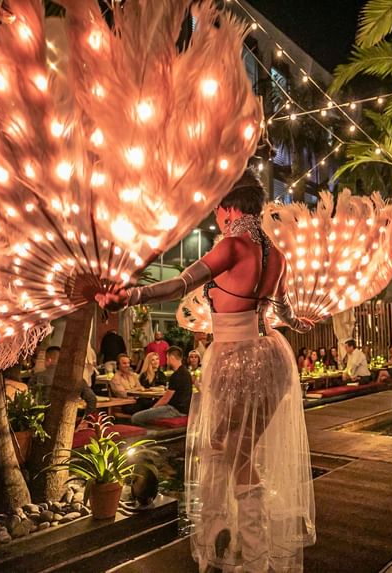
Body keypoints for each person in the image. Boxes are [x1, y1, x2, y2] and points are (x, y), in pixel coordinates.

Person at [93, 170, 316, 571]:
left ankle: (253, 555)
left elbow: (180, 284)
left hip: (237, 358)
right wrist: (299, 326)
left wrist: (131, 296)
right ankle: (219, 537)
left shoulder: (232, 246)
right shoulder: (276, 254)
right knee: (219, 443)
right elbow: (284, 312)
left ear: (230, 208)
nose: (216, 213)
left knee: (236, 449)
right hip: (274, 358)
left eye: (217, 206)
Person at [131, 346, 192, 426]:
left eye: (167, 357)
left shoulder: (176, 375)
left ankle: (150, 435)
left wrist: (153, 408)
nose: (166, 360)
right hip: (184, 409)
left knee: (135, 418)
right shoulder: (186, 372)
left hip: (175, 410)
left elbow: (166, 398)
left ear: (171, 357)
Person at [30, 346, 97, 411]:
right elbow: (92, 399)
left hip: (43, 419)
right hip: (70, 420)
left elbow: (29, 400)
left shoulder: (37, 377)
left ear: (49, 360)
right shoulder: (76, 378)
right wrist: (85, 419)